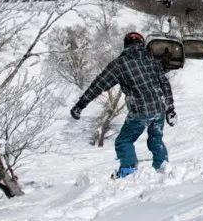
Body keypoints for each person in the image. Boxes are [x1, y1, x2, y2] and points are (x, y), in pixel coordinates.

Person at [70, 32, 177, 178]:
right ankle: (162, 166)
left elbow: (98, 85)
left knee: (124, 141)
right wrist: (170, 109)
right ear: (142, 43)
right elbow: (165, 84)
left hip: (140, 111)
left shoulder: (119, 64)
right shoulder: (151, 59)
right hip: (159, 108)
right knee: (155, 139)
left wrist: (80, 105)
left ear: (126, 44)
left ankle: (128, 170)